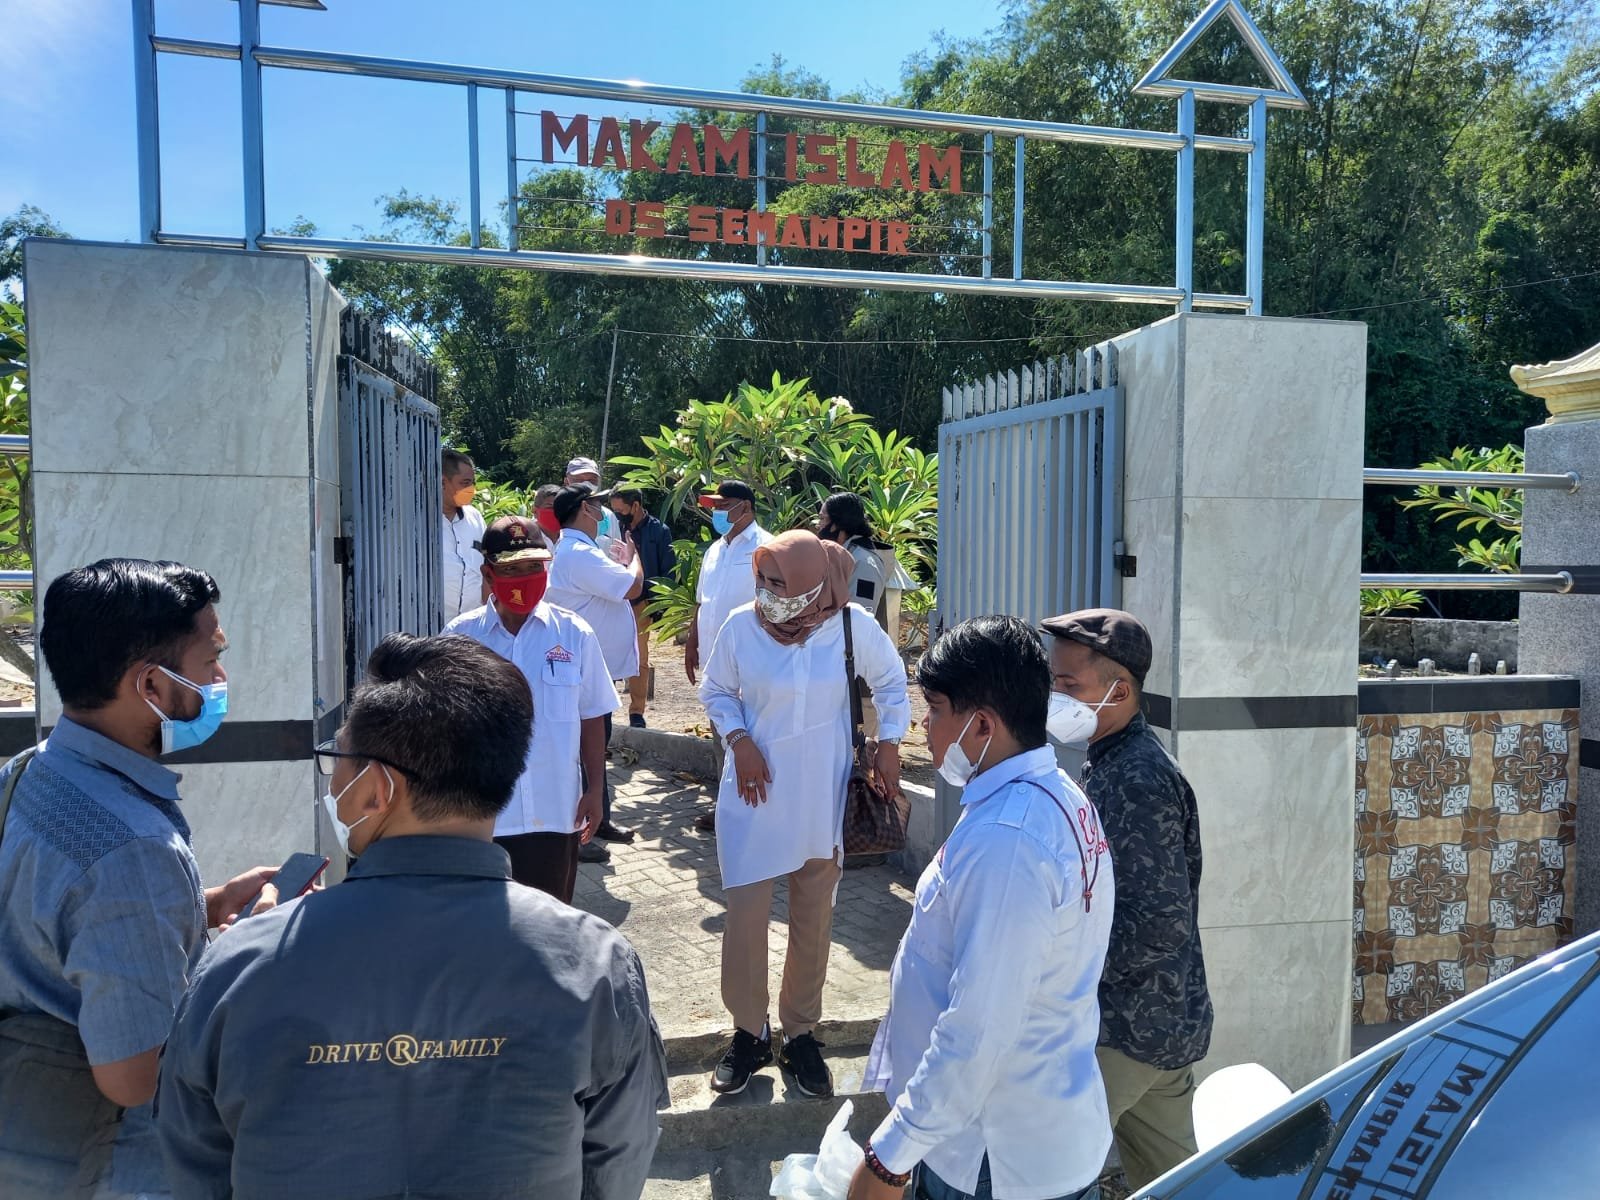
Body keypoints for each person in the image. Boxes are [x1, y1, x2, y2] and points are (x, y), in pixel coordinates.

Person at [157, 633, 669, 1199]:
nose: (333, 783)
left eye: (338, 760)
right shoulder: (596, 964)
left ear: (377, 789)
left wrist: (260, 948)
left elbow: (193, 1167)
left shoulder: (238, 966)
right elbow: (616, 1166)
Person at [0, 559, 277, 1200]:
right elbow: (135, 1078)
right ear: (150, 683)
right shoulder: (133, 850)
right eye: (210, 660)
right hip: (107, 1164)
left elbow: (51, 927)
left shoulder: (30, 772)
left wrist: (199, 908)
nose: (220, 679)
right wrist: (246, 951)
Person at [854, 615, 1113, 1200]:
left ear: (983, 726)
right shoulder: (1052, 796)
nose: (924, 725)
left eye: (936, 709)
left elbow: (978, 1030)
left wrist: (891, 1158)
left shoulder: (1009, 840)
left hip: (993, 1155)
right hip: (1021, 1136)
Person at [698, 532, 908, 1099]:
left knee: (814, 919)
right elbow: (716, 690)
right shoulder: (741, 626)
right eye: (764, 579)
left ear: (818, 584)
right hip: (754, 796)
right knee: (745, 918)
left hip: (822, 796)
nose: (769, 593)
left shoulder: (850, 626)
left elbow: (892, 682)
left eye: (782, 583)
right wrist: (738, 738)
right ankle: (749, 1032)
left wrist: (890, 742)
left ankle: (800, 1033)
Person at [1039, 607, 1212, 1191]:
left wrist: (1062, 968)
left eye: (1069, 685)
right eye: (1054, 682)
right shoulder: (1114, 760)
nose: (1056, 697)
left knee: (1040, 1168)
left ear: (1119, 690)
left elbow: (1158, 923)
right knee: (1176, 1182)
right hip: (1158, 1025)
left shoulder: (1137, 779)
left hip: (1126, 1031)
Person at [445, 516, 616, 894]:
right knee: (485, 923)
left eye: (534, 567)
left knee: (550, 923)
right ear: (488, 573)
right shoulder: (460, 639)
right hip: (482, 820)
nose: (525, 578)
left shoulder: (574, 634)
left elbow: (592, 716)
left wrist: (595, 790)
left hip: (555, 814)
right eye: (512, 569)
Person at [546, 483, 640, 846]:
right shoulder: (578, 553)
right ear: (585, 509)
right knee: (587, 748)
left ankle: (597, 821)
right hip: (583, 669)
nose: (603, 511)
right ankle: (580, 830)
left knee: (595, 746)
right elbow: (633, 586)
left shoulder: (580, 551)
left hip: (591, 668)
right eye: (598, 504)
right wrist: (633, 557)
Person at [685, 480, 771, 688]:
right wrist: (692, 642)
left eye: (724, 506)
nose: (718, 512)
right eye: (716, 507)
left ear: (746, 507)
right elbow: (702, 601)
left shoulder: (767, 547)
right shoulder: (714, 550)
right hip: (711, 655)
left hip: (751, 654)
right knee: (714, 703)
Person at [610, 487, 677, 729]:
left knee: (639, 656)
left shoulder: (659, 531)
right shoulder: (614, 527)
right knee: (606, 652)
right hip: (612, 599)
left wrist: (659, 606)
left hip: (641, 603)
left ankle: (636, 712)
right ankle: (605, 709)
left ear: (635, 505)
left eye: (621, 510)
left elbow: (667, 570)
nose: (617, 514)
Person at [816, 491, 889, 619]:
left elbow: (860, 615)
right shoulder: (843, 554)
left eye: (822, 518)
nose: (818, 525)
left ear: (838, 523)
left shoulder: (865, 563)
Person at [440, 448, 487, 624]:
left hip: (472, 626)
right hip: (432, 627)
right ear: (442, 482)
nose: (471, 489)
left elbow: (487, 566)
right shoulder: (420, 525)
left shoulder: (475, 517)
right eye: (465, 483)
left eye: (472, 483)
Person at [564, 456, 621, 543]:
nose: (586, 484)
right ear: (566, 482)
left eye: (592, 480)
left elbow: (617, 549)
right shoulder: (556, 514)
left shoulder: (608, 516)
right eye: (579, 480)